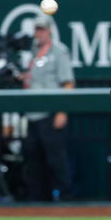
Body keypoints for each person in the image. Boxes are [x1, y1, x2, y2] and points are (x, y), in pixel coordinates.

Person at [21, 16, 75, 202]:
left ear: (49, 30)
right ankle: (38, 200)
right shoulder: (33, 52)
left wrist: (62, 111)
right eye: (37, 29)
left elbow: (67, 83)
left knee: (56, 159)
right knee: (33, 159)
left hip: (51, 111)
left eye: (42, 29)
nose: (39, 33)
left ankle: (66, 197)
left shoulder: (59, 51)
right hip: (32, 113)